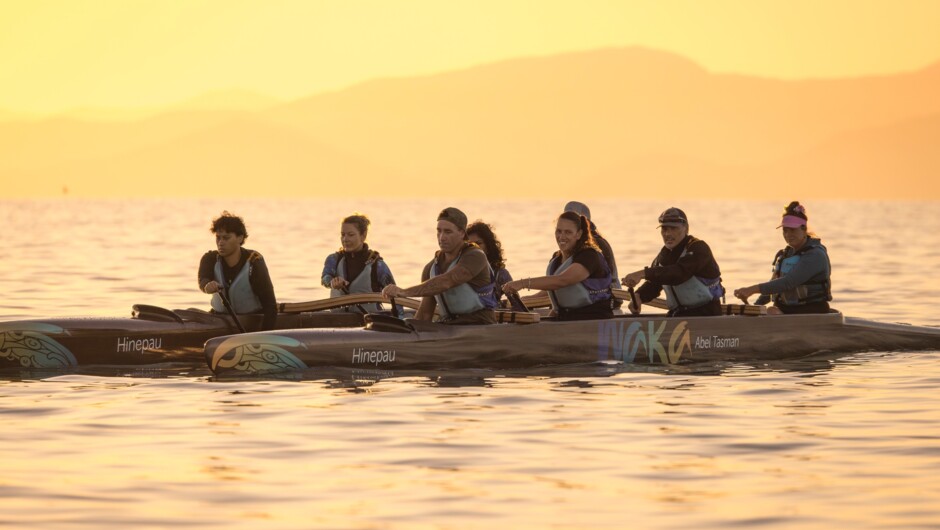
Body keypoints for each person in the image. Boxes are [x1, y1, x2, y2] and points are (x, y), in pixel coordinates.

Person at [382, 207, 498, 324]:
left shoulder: (475, 256)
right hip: (449, 326)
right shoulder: (431, 268)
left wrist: (403, 292)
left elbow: (447, 281)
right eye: (439, 231)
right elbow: (425, 314)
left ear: (462, 233)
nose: (442, 237)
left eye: (448, 232)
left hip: (480, 325)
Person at [502, 211, 613, 321]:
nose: (561, 236)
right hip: (567, 318)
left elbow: (562, 280)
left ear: (578, 234)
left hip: (593, 318)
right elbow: (555, 291)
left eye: (568, 232)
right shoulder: (556, 258)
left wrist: (522, 283)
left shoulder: (589, 256)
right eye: (558, 231)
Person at [622, 207, 724, 317]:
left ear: (686, 228)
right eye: (664, 229)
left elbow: (679, 274)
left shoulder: (699, 248)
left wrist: (642, 274)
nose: (668, 234)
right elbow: (655, 284)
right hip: (677, 315)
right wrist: (638, 296)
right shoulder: (664, 254)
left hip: (706, 315)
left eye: (673, 228)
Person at [733, 201, 832, 314]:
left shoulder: (815, 255)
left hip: (811, 310)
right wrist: (754, 307)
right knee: (768, 311)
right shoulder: (786, 254)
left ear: (804, 229)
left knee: (772, 311)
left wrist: (751, 289)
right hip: (785, 310)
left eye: (793, 230)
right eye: (785, 230)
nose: (788, 234)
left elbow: (788, 282)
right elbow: (774, 286)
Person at [198, 211, 277, 330]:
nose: (220, 242)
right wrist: (207, 286)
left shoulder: (254, 261)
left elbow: (270, 305)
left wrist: (265, 336)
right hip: (220, 320)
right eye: (218, 238)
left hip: (251, 321)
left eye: (226, 238)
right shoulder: (209, 259)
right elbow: (203, 280)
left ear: (240, 238)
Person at [321, 213, 396, 313]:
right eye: (343, 235)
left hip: (370, 322)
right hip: (337, 321)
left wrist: (401, 319)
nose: (345, 239)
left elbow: (395, 296)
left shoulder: (377, 265)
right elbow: (324, 279)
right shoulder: (333, 259)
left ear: (363, 236)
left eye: (351, 235)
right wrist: (332, 282)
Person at [564, 201, 623, 307]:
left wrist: (528, 285)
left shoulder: (594, 246)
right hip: (585, 297)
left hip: (608, 300)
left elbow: (564, 280)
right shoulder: (572, 246)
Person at [466, 221, 526, 312]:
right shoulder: (458, 271)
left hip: (489, 321)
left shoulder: (500, 274)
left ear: (488, 247)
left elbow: (518, 306)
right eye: (470, 245)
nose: (474, 248)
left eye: (478, 243)